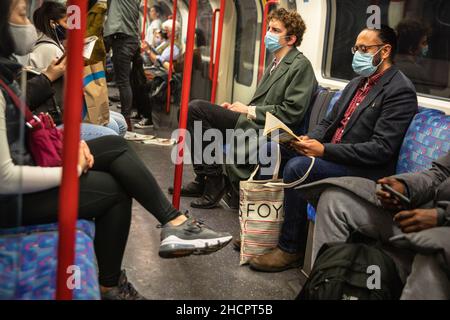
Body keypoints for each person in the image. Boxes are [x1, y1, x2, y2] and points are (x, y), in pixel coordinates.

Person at [0, 0, 232, 300]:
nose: (28, 24)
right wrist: (69, 169)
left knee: (114, 141)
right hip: (10, 201)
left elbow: (26, 126)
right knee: (116, 191)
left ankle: (173, 223)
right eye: (21, 14)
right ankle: (111, 283)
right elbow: (4, 177)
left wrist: (69, 146)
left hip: (28, 162)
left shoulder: (8, 73)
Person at [249, 25, 418, 273]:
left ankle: (290, 248)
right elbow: (329, 123)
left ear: (385, 51)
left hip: (363, 169)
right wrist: (307, 139)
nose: (357, 54)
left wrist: (323, 151)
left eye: (364, 48)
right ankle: (262, 233)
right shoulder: (357, 83)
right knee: (272, 148)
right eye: (356, 48)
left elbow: (380, 149)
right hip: (334, 154)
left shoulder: (399, 90)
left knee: (298, 168)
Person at [170, 9, 318, 210]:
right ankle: (203, 177)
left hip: (269, 128)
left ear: (291, 39)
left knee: (196, 109)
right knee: (188, 112)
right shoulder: (276, 63)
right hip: (255, 121)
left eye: (275, 30)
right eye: (268, 28)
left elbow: (291, 112)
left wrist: (249, 110)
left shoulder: (301, 66)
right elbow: (265, 101)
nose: (268, 34)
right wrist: (237, 108)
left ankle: (215, 180)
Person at [308, 152, 450, 300]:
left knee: (434, 253)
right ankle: (325, 288)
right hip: (425, 211)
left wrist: (441, 217)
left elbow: (380, 148)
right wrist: (405, 187)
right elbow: (440, 174)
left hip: (442, 230)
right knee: (335, 200)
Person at [29, 1, 127, 139]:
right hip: (57, 116)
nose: (70, 26)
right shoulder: (48, 49)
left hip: (61, 109)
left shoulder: (56, 45)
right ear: (53, 24)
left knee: (120, 120)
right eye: (66, 21)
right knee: (115, 127)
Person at [136, 19, 182, 129]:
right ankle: (141, 112)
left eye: (166, 30)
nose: (163, 32)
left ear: (174, 32)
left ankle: (149, 117)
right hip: (160, 70)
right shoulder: (166, 43)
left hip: (165, 74)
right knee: (136, 78)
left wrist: (148, 51)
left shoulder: (174, 47)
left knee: (144, 85)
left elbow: (159, 61)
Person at [104, 0, 140, 131]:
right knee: (125, 81)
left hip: (122, 40)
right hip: (131, 39)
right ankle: (126, 118)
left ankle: (126, 120)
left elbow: (112, 22)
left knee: (123, 82)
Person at [396, 19, 431, 94]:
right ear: (411, 48)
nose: (426, 46)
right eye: (423, 43)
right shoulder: (416, 71)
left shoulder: (390, 64)